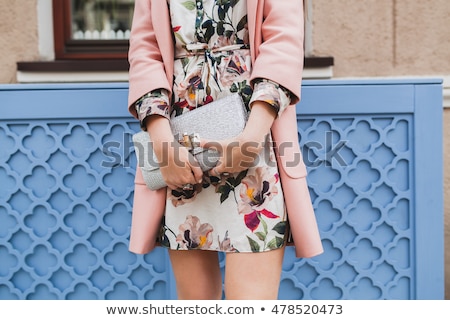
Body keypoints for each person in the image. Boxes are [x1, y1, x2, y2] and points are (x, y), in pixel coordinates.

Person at [127, 0, 323, 300]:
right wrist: (164, 147)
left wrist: (251, 138)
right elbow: (145, 52)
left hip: (255, 138)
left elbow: (283, 44)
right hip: (181, 148)